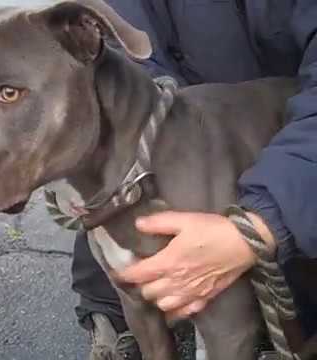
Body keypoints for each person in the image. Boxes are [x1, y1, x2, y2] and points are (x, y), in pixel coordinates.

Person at [70, 1, 317, 359]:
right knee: (111, 215)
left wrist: (264, 223)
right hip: (198, 129)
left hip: (290, 132)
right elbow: (132, 59)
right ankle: (109, 316)